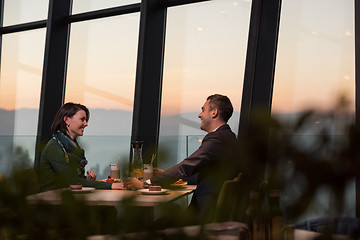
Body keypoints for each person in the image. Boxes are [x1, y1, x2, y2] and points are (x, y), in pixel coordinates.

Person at [126, 94, 239, 223]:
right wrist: (176, 179)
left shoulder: (217, 138)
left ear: (214, 113)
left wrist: (146, 184)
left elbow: (187, 166)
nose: (199, 115)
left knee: (158, 225)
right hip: (213, 212)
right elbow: (211, 174)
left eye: (203, 110)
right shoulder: (229, 136)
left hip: (204, 216)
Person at [39, 102, 124, 192]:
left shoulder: (71, 147)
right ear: (67, 120)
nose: (86, 124)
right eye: (82, 119)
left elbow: (72, 179)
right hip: (52, 200)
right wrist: (110, 186)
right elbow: (72, 181)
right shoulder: (54, 147)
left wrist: (87, 180)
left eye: (86, 120)